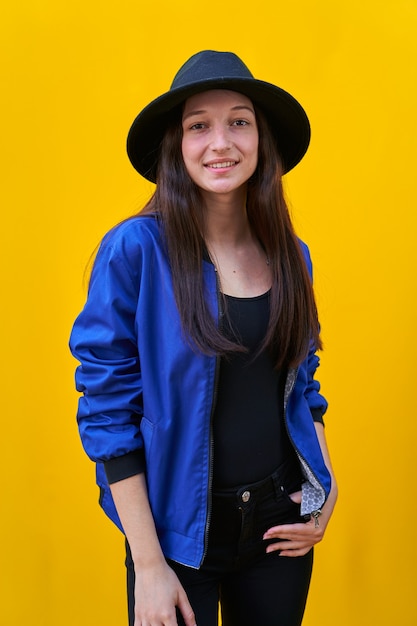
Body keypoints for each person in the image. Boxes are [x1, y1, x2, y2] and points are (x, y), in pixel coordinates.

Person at [70, 50, 337, 626]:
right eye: (199, 126)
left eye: (239, 122)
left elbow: (303, 382)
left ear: (261, 140)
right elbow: (107, 416)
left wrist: (325, 487)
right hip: (176, 537)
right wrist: (148, 565)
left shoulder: (293, 256)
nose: (221, 143)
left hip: (275, 530)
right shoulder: (136, 250)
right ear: (177, 145)